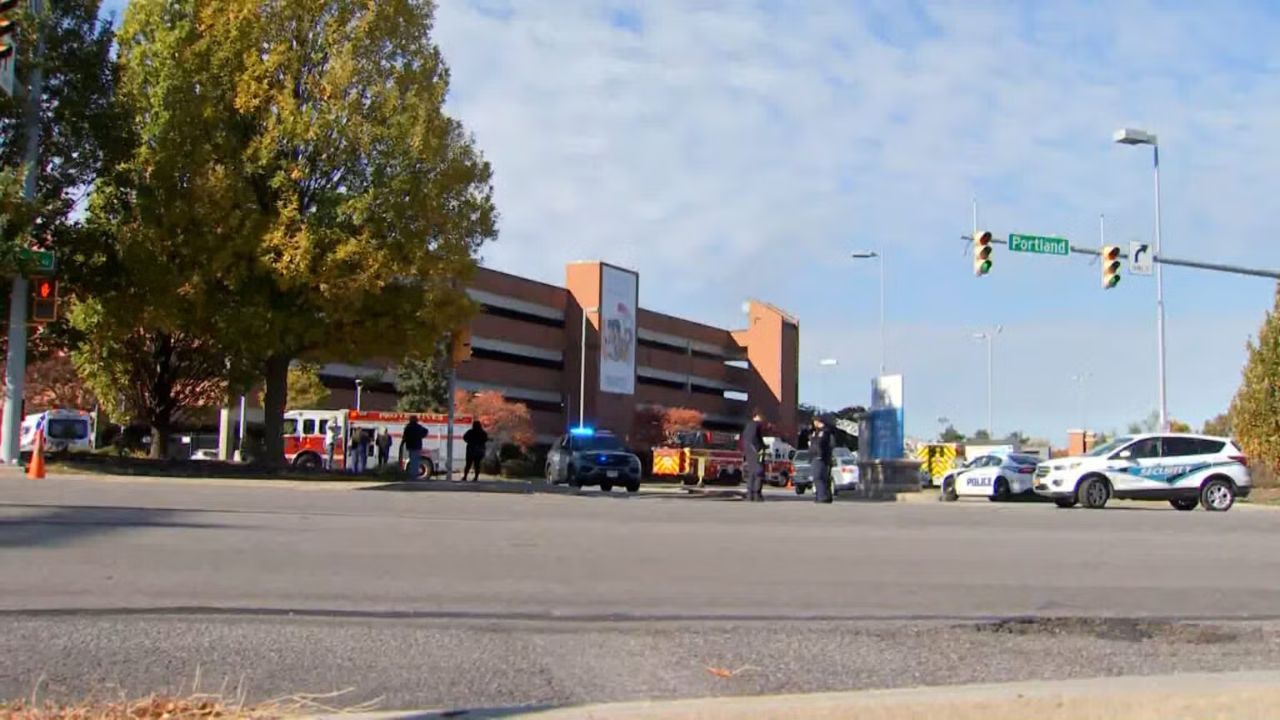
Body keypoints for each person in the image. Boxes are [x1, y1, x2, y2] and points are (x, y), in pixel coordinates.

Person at [740, 411, 766, 502]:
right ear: (757, 416)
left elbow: (745, 440)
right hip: (757, 452)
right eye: (761, 417)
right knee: (759, 473)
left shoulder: (747, 426)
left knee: (751, 473)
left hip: (749, 452)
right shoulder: (756, 425)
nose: (762, 420)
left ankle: (749, 494)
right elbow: (756, 439)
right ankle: (757, 494)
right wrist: (761, 448)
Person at [811, 416, 834, 504]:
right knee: (823, 477)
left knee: (818, 477)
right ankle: (825, 496)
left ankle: (822, 496)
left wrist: (819, 453)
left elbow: (819, 444)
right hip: (821, 457)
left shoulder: (824, 432)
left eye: (815, 421)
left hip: (819, 457)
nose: (814, 424)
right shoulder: (820, 432)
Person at [402, 415, 429, 480]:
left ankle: (412, 475)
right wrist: (421, 436)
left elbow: (404, 436)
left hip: (410, 446)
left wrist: (406, 440)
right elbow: (426, 431)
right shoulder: (419, 427)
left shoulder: (408, 427)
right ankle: (415, 474)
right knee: (416, 461)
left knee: (412, 460)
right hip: (417, 446)